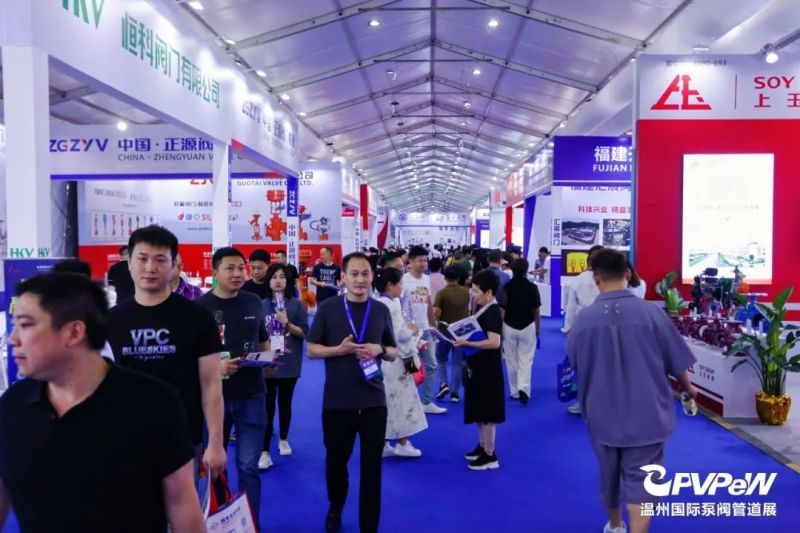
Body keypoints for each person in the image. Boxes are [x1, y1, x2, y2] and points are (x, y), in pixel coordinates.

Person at [0, 273, 204, 532]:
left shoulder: (152, 402)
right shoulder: (12, 406)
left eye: (26, 325)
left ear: (74, 331)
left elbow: (181, 504)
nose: (13, 339)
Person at [566, 249, 698, 533]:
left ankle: (615, 525)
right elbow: (677, 362)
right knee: (643, 482)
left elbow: (574, 363)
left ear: (596, 279)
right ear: (627, 274)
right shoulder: (651, 313)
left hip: (602, 414)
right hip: (647, 414)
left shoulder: (584, 320)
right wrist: (687, 389)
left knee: (609, 477)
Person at [106, 225, 227, 483]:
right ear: (129, 263)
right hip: (125, 440)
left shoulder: (197, 318)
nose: (150, 267)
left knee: (183, 508)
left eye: (160, 260)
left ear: (173, 266)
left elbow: (211, 384)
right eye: (142, 258)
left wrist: (215, 443)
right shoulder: (110, 321)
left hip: (182, 439)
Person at [307, 252, 398, 533]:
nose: (360, 280)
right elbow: (311, 350)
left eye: (365, 274)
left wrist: (379, 349)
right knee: (336, 462)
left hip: (373, 401)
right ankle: (336, 507)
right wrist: (339, 350)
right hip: (338, 401)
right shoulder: (328, 308)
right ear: (343, 277)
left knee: (372, 468)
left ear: (372, 276)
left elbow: (393, 351)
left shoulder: (381, 310)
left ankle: (369, 526)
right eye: (354, 274)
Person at [196, 247, 269, 518]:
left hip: (253, 394)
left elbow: (262, 338)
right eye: (230, 268)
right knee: (216, 466)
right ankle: (219, 521)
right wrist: (216, 367)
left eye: (241, 268)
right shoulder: (200, 308)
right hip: (215, 398)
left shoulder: (253, 301)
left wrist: (268, 358)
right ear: (215, 273)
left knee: (249, 466)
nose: (238, 273)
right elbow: (189, 355)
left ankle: (250, 523)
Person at [374, 267, 428, 458]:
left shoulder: (377, 302)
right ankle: (403, 442)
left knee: (386, 401)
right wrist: (412, 332)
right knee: (402, 400)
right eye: (400, 284)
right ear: (390, 285)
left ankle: (383, 443)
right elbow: (399, 334)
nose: (402, 287)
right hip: (397, 359)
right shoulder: (391, 305)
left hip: (382, 358)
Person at [260, 263, 309, 470]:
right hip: (268, 363)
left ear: (287, 281)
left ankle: (283, 439)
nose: (278, 280)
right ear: (268, 281)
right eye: (274, 277)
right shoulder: (261, 305)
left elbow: (304, 333)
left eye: (282, 277)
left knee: (285, 403)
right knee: (267, 406)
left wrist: (287, 323)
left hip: (290, 362)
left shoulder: (297, 305)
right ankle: (264, 450)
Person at [454, 269, 504, 471]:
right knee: (479, 409)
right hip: (477, 365)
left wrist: (468, 343)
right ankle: (482, 445)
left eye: (476, 291)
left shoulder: (492, 311)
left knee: (488, 411)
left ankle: (490, 454)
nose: (473, 294)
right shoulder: (483, 308)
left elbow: (494, 342)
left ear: (489, 292)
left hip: (488, 369)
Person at [404, 245, 446, 415]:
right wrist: (407, 327)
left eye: (425, 260)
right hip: (408, 333)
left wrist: (432, 324)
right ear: (411, 261)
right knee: (410, 369)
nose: (423, 264)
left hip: (425, 330)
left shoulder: (426, 279)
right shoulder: (403, 281)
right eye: (420, 260)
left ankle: (427, 401)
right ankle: (410, 401)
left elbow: (428, 302)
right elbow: (399, 307)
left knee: (432, 365)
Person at [563, 245, 604, 414]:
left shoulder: (577, 280)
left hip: (582, 327)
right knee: (603, 365)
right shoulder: (607, 280)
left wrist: (568, 329)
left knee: (581, 366)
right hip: (604, 327)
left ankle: (582, 402)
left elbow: (571, 307)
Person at [500, 259, 541, 405]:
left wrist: (500, 329)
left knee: (511, 360)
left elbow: (502, 309)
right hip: (528, 326)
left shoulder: (507, 287)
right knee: (526, 359)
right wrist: (538, 329)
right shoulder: (532, 287)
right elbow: (536, 311)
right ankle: (524, 387)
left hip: (509, 326)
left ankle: (514, 392)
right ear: (526, 269)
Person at [433, 265, 470, 403]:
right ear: (459, 277)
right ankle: (455, 393)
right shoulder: (466, 291)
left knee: (441, 358)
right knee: (457, 362)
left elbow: (437, 313)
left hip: (444, 331)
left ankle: (443, 384)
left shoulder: (441, 293)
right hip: (462, 331)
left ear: (445, 277)